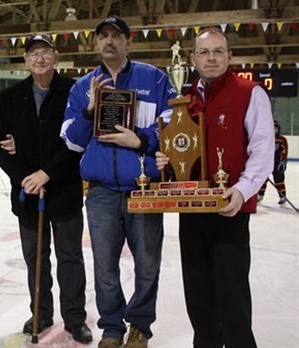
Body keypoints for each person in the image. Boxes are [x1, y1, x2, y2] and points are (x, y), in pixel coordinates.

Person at [61, 16, 176, 348]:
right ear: (96, 43)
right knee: (105, 266)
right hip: (100, 192)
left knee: (148, 264)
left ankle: (140, 327)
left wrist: (140, 141)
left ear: (129, 42)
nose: (109, 41)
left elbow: (171, 127)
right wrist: (89, 111)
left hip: (143, 188)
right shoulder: (83, 87)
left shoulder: (154, 79)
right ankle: (111, 328)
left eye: (116, 36)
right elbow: (71, 141)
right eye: (103, 37)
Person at [156, 27, 274, 348]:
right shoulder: (183, 99)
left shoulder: (250, 93)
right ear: (193, 59)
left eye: (218, 51)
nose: (212, 58)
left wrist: (242, 189)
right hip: (192, 210)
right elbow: (176, 147)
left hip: (228, 210)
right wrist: (166, 164)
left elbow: (263, 151)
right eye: (205, 52)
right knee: (199, 296)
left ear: (230, 56)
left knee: (232, 297)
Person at [0, 33, 92, 344]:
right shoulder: (10, 97)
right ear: (26, 60)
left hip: (63, 190)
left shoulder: (72, 92)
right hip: (28, 194)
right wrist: (27, 178)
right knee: (35, 256)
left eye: (45, 53)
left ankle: (75, 317)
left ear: (56, 56)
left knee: (70, 257)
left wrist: (46, 174)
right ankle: (41, 311)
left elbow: (77, 141)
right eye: (33, 54)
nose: (39, 59)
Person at [258, 120, 288, 205]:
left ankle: (282, 197)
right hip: (266, 162)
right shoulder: (265, 138)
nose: (274, 129)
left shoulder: (282, 139)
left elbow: (284, 151)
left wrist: (283, 161)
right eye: (273, 128)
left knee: (279, 180)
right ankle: (260, 196)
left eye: (276, 128)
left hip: (277, 163)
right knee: (262, 180)